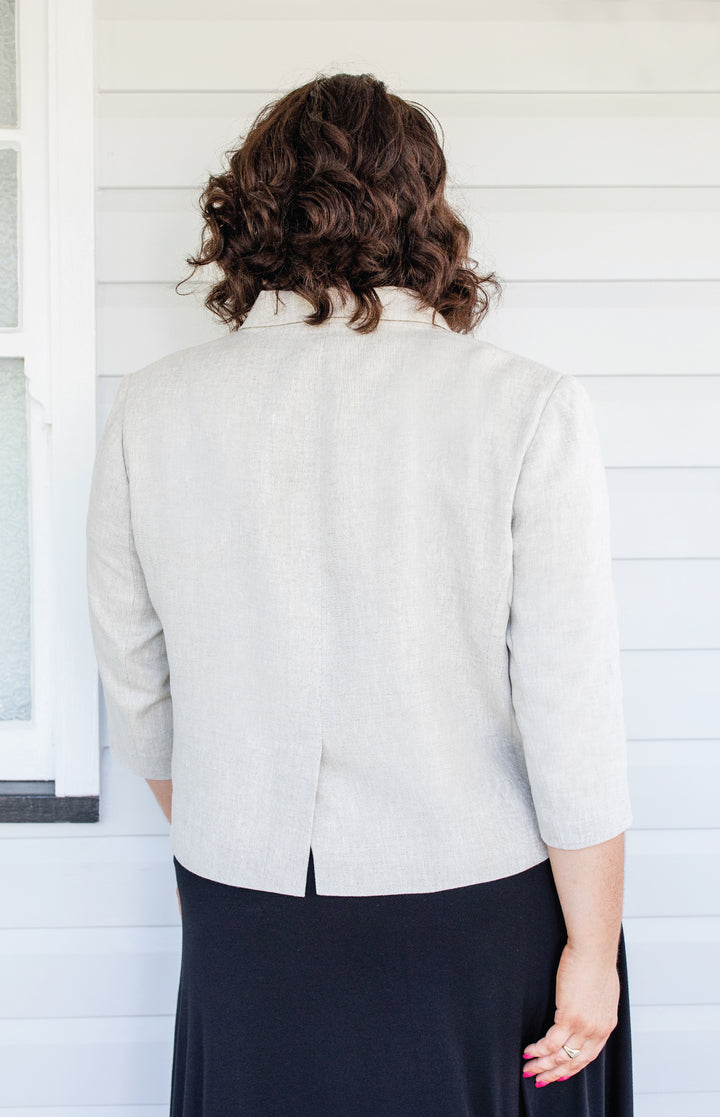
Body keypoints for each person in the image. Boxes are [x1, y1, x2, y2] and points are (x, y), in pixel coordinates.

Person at [85, 72, 634, 1116]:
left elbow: (139, 690)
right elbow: (571, 707)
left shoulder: (150, 412)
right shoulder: (525, 408)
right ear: (424, 210)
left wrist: (227, 819)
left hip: (243, 901)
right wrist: (594, 951)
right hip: (476, 910)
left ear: (249, 212)